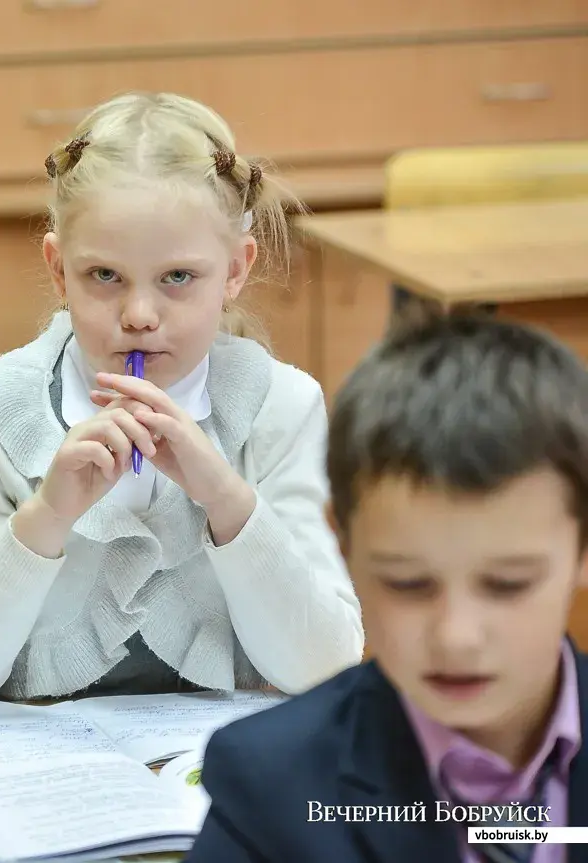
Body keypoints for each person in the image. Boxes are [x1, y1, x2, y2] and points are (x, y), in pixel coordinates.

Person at [0, 92, 364, 701]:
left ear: (236, 270)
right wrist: (47, 516)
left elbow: (325, 667)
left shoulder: (281, 409)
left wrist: (225, 498)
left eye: (177, 278)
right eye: (105, 276)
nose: (140, 316)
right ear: (60, 270)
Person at [190, 312, 588, 862]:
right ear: (344, 543)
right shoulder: (272, 786)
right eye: (408, 583)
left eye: (506, 585)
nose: (457, 637)